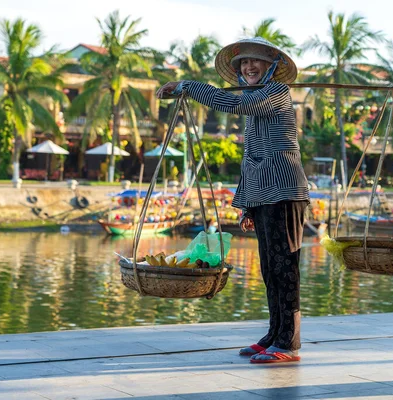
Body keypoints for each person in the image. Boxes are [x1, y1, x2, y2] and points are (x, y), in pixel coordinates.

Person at [157, 37, 310, 364]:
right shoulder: (256, 100)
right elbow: (251, 156)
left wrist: (187, 86)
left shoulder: (276, 95)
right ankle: (273, 334)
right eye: (244, 63)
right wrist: (246, 205)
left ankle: (288, 343)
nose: (249, 67)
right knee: (269, 269)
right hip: (263, 195)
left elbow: (232, 104)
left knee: (285, 269)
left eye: (256, 62)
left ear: (272, 68)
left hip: (284, 192)